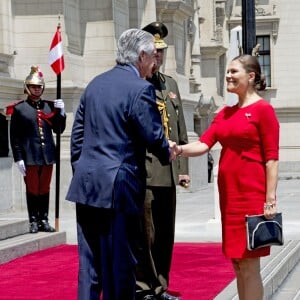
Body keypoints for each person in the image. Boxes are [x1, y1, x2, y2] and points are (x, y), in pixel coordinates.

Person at [65, 28, 176, 300]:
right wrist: (167, 151)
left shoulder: (94, 84)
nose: (154, 63)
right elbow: (151, 134)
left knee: (89, 263)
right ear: (140, 56)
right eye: (152, 56)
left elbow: (77, 138)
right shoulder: (141, 88)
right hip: (120, 187)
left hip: (87, 184)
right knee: (121, 263)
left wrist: (85, 170)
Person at [174, 54, 279, 300]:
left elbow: (272, 158)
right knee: (237, 263)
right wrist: (177, 149)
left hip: (252, 197)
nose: (228, 76)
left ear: (251, 76)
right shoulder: (225, 113)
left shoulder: (264, 111)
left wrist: (270, 199)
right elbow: (203, 144)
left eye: (234, 71)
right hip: (230, 198)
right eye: (228, 72)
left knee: (250, 265)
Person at [135, 22, 189, 300]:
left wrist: (183, 170)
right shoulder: (137, 84)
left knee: (166, 232)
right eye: (154, 52)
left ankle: (162, 286)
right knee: (147, 233)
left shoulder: (170, 84)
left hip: (168, 171)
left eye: (162, 52)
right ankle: (144, 287)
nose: (159, 57)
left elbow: (179, 129)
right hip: (145, 170)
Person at [7, 66, 66, 233]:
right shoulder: (20, 109)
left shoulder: (49, 107)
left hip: (47, 155)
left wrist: (61, 113)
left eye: (39, 86)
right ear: (27, 88)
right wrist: (18, 158)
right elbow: (15, 137)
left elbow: (58, 130)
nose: (37, 89)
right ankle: (33, 220)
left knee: (45, 189)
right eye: (34, 86)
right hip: (30, 156)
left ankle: (44, 219)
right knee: (32, 189)